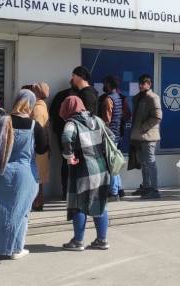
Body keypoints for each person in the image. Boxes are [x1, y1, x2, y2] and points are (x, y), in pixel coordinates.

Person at [0, 90, 48, 259]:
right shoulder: (35, 126)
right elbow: (42, 149)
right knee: (20, 212)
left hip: (0, 172)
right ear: (30, 105)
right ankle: (15, 249)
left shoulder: (3, 121)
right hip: (24, 175)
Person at [60, 96, 111, 251]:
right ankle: (102, 240)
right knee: (99, 202)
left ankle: (78, 241)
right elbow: (111, 136)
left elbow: (66, 137)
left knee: (79, 204)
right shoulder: (97, 120)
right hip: (101, 167)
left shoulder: (72, 123)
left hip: (82, 168)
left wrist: (69, 156)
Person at [130, 74, 163, 199]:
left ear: (149, 84)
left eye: (144, 83)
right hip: (139, 136)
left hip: (149, 136)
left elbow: (157, 117)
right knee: (143, 163)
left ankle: (154, 189)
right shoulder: (138, 98)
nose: (141, 85)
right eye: (140, 83)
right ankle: (146, 186)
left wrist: (143, 127)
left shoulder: (153, 97)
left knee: (150, 162)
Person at [99, 76, 127, 200]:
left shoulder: (108, 99)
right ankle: (119, 189)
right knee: (115, 162)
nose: (103, 85)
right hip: (116, 134)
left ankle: (114, 192)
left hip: (110, 135)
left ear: (109, 84)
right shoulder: (118, 97)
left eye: (105, 83)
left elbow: (107, 120)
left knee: (111, 164)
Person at [50, 81, 75, 200]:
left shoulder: (60, 95)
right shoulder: (79, 97)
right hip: (75, 135)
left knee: (66, 162)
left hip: (61, 133)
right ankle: (72, 192)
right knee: (75, 162)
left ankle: (65, 191)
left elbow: (52, 114)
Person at [29, 82, 50, 211]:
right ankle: (38, 201)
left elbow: (36, 130)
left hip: (37, 147)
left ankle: (37, 202)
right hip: (42, 146)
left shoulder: (37, 109)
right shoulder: (42, 106)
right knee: (39, 175)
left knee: (37, 176)